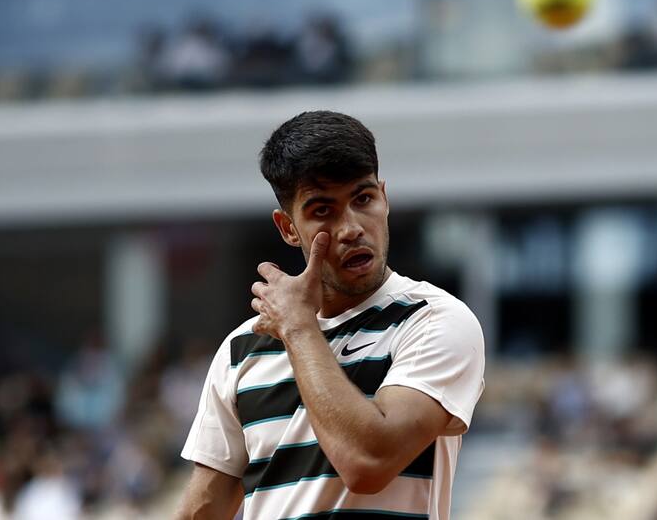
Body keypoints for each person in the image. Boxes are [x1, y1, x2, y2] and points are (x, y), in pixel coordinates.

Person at [175, 111, 485, 519]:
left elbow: (369, 463)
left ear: (385, 198)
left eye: (364, 199)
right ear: (288, 228)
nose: (351, 227)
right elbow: (205, 508)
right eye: (324, 210)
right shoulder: (243, 347)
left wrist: (299, 328)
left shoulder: (434, 320)